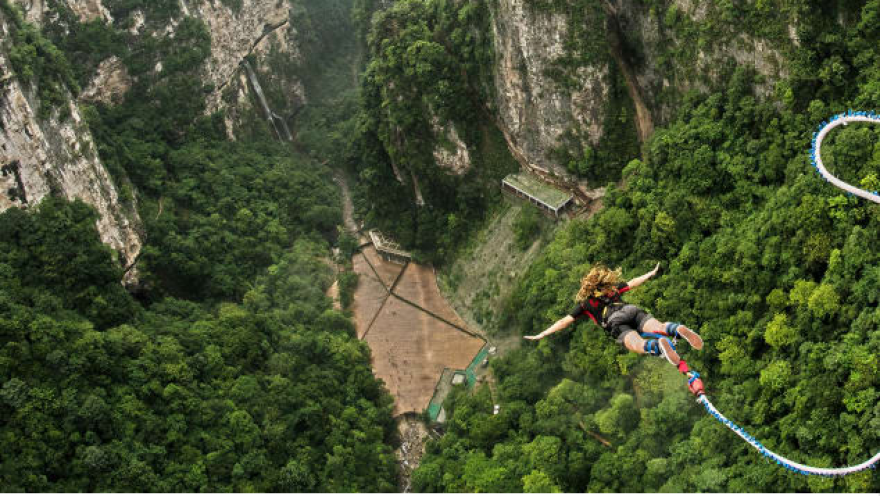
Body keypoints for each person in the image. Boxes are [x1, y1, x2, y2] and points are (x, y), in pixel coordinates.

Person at [524, 263, 703, 367]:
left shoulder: (585, 304)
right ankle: (676, 329)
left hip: (614, 322)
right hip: (631, 310)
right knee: (659, 327)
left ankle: (656, 347)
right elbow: (633, 282)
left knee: (636, 344)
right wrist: (651, 273)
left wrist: (543, 333)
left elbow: (564, 321)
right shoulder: (613, 289)